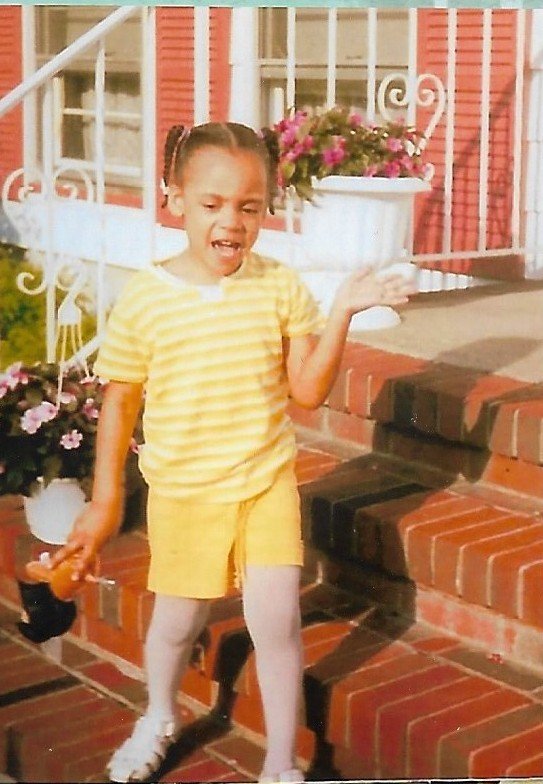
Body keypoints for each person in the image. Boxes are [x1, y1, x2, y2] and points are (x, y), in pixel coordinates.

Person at [50, 121, 414, 784]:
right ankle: (158, 714)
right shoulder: (146, 299)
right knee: (176, 624)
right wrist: (105, 500)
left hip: (263, 483)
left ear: (266, 208)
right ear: (174, 198)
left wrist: (339, 315)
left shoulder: (279, 287)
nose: (231, 222)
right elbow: (120, 406)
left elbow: (305, 391)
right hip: (185, 493)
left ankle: (280, 760)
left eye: (249, 206)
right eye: (213, 204)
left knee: (276, 620)